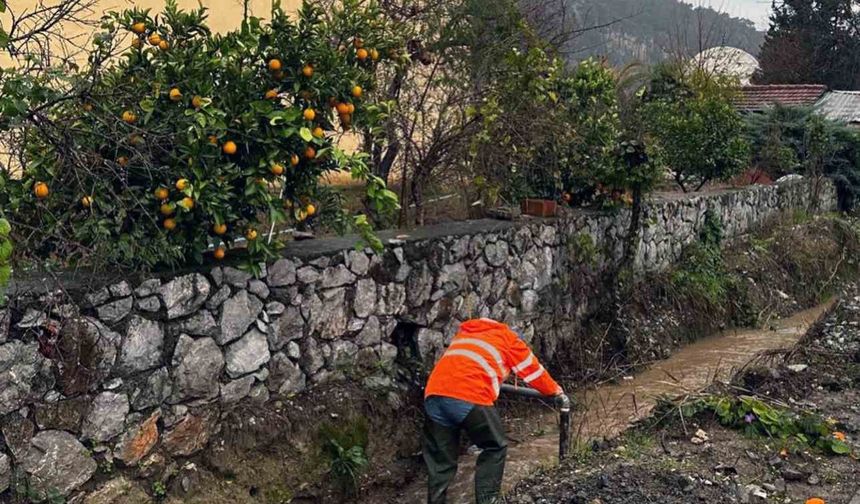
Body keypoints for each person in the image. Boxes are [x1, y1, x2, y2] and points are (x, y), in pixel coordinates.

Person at [422, 318, 568, 504]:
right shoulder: (506, 338)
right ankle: (488, 500)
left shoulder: (464, 335)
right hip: (470, 395)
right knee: (494, 446)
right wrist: (555, 391)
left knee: (441, 461)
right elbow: (533, 372)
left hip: (434, 395)